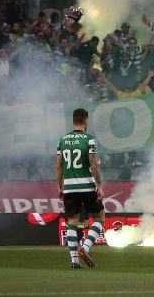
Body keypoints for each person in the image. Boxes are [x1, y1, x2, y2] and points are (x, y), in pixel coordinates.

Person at [57, 108, 105, 269]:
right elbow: (94, 165)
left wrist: (60, 187)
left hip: (69, 187)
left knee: (72, 221)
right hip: (86, 185)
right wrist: (99, 185)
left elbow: (58, 167)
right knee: (100, 217)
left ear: (73, 120)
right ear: (86, 120)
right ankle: (85, 247)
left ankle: (74, 260)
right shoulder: (89, 140)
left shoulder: (62, 141)